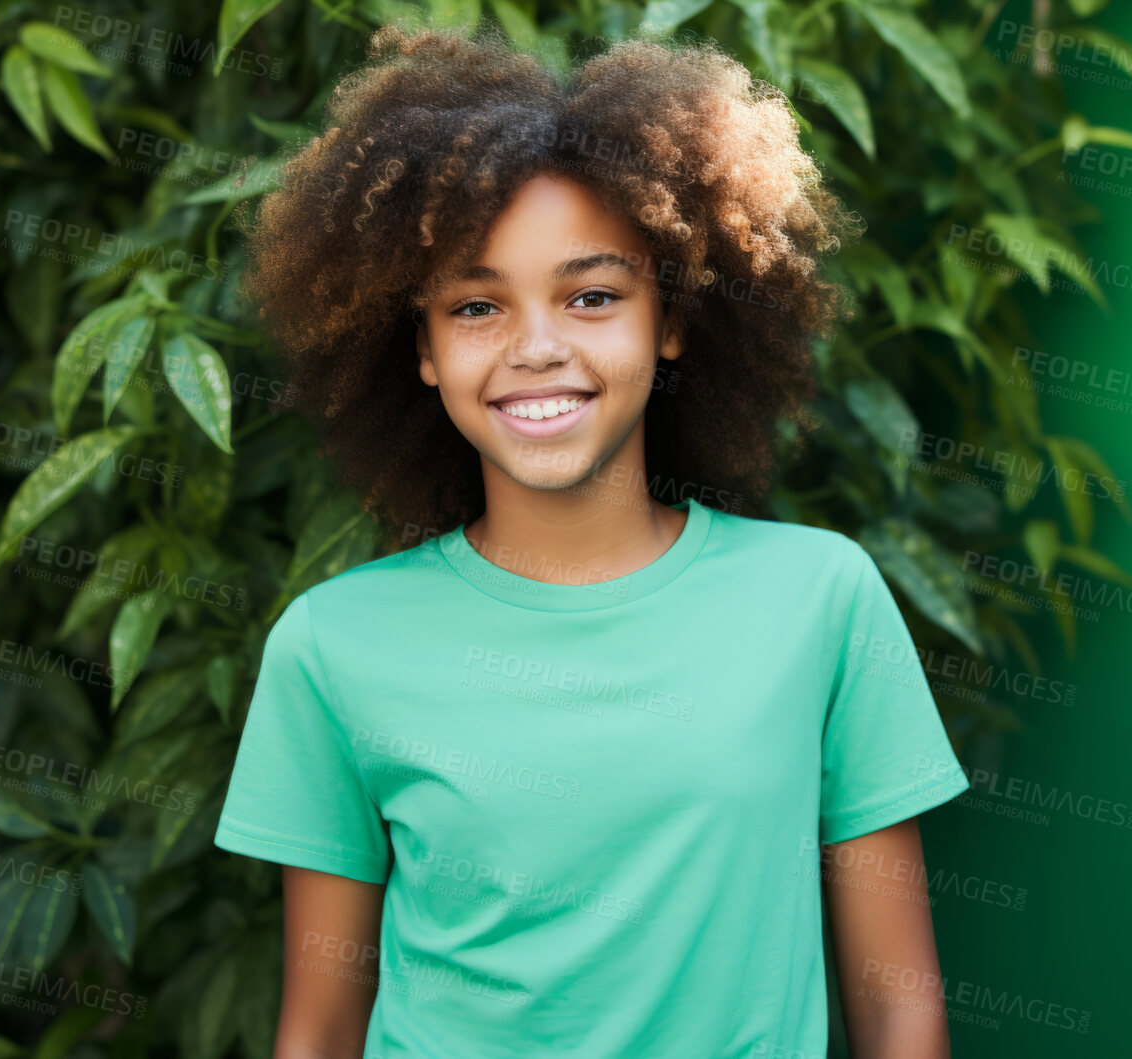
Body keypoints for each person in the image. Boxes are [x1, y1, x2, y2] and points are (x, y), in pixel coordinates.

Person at [216, 20, 970, 1059]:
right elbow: (319, 1030)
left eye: (593, 296)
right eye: (475, 305)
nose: (536, 348)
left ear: (668, 321)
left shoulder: (820, 602)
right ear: (423, 350)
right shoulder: (332, 646)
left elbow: (898, 1008)